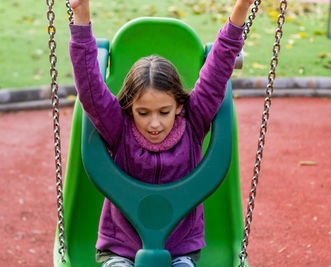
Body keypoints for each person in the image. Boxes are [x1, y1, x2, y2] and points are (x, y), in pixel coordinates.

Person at [68, 0, 253, 266]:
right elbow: (89, 87)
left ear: (179, 105)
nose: (154, 124)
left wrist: (242, 8)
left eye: (163, 112)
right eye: (143, 113)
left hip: (180, 247)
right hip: (121, 246)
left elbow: (219, 67)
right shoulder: (118, 128)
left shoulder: (194, 122)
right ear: (130, 108)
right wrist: (80, 12)